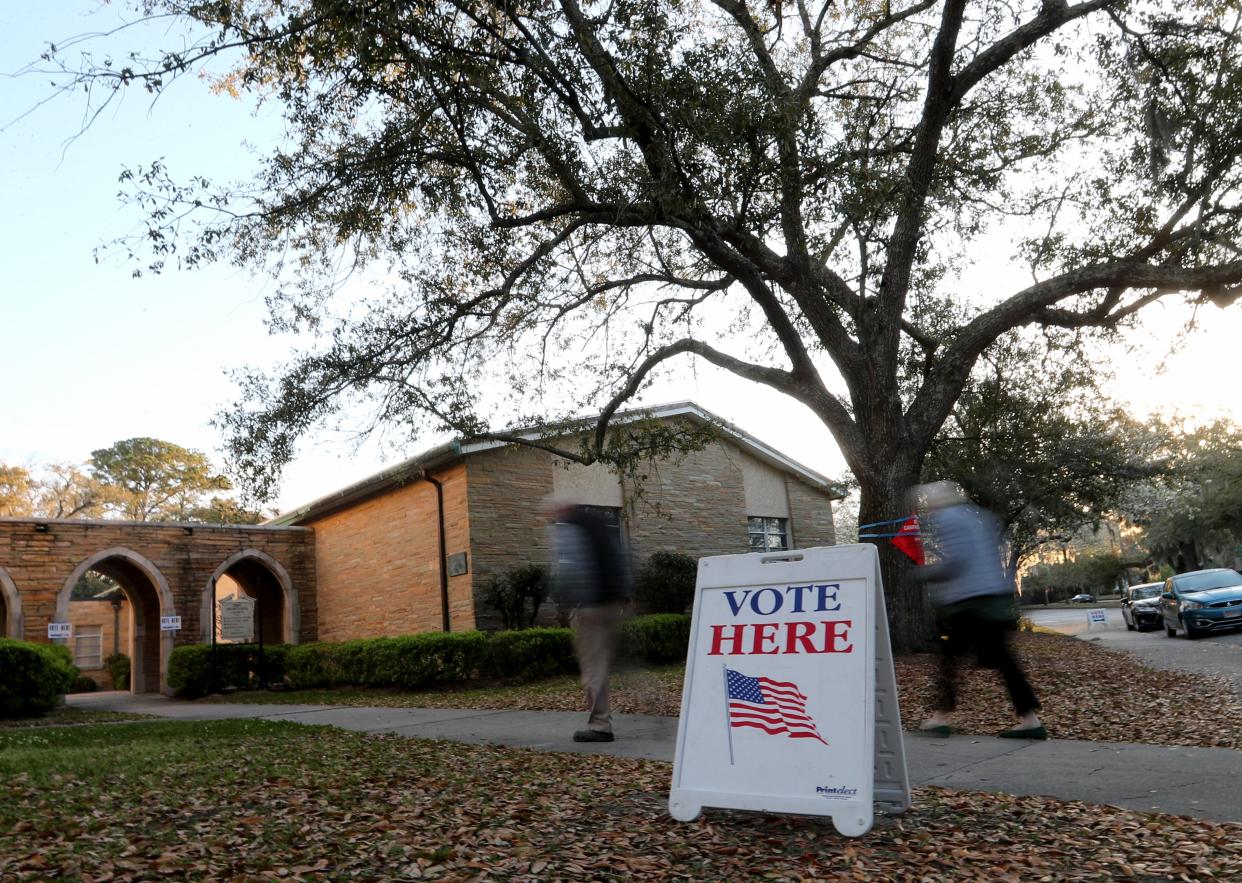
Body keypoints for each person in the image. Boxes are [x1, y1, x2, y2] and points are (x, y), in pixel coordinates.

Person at [911, 481, 1046, 740]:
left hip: (970, 604)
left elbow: (957, 563)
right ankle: (1030, 720)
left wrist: (921, 573)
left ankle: (940, 718)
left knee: (950, 660)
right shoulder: (978, 517)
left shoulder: (948, 519)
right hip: (993, 599)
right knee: (1004, 662)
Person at [547, 502, 632, 743]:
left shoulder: (571, 527)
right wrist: (624, 595)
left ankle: (600, 726)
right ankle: (650, 701)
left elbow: (573, 566)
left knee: (593, 667)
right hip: (613, 604)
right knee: (606, 663)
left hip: (591, 607)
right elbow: (621, 558)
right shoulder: (602, 524)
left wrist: (572, 602)